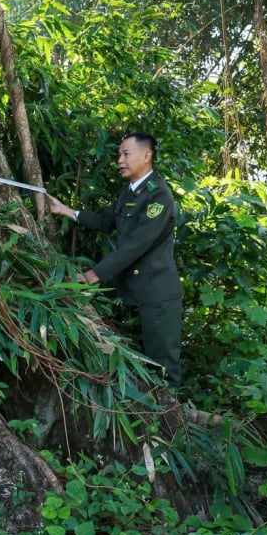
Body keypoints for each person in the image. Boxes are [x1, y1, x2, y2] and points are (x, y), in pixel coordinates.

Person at [47, 131, 183, 387]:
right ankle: (149, 417)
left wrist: (93, 275)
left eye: (126, 154)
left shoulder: (158, 195)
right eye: (119, 154)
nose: (120, 160)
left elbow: (135, 246)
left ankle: (171, 422)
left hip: (157, 294)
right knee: (142, 367)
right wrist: (66, 210)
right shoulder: (130, 193)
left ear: (147, 155)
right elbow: (105, 221)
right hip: (134, 293)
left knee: (164, 367)